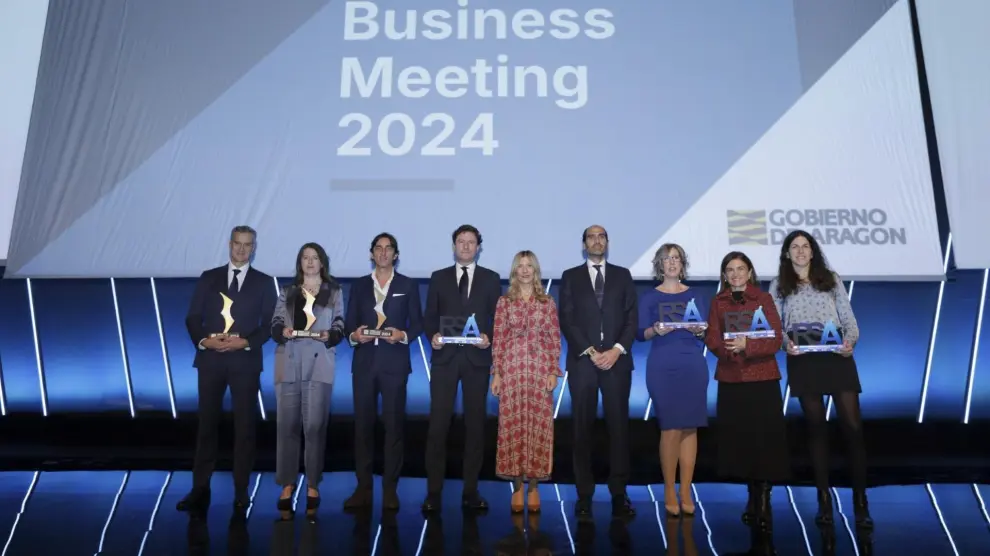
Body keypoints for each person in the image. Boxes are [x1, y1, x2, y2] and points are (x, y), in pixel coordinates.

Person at [770, 230, 872, 529]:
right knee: (816, 429)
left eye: (805, 246)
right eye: (794, 247)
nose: (800, 251)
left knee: (853, 428)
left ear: (813, 251)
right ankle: (824, 501)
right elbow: (775, 324)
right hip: (802, 358)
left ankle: (861, 502)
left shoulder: (831, 278)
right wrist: (783, 344)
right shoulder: (779, 284)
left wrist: (850, 341)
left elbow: (848, 316)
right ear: (787, 254)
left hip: (836, 356)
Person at [177, 225, 277, 511]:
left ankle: (241, 491)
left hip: (245, 362)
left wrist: (244, 342)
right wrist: (205, 341)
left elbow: (270, 324)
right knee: (206, 426)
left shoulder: (263, 281)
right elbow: (193, 318)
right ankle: (199, 488)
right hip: (210, 362)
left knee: (244, 428)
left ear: (254, 248)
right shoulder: (209, 278)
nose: (242, 249)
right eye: (238, 244)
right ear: (229, 244)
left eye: (248, 245)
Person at [704, 251, 789, 530]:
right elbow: (713, 338)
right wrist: (732, 350)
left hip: (763, 380)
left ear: (750, 272)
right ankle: (751, 497)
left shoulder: (763, 300)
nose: (736, 274)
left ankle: (763, 498)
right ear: (724, 275)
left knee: (764, 441)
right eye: (730, 269)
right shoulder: (718, 301)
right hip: (732, 379)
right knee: (741, 442)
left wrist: (747, 347)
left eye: (741, 268)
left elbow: (776, 338)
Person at [558, 225, 638, 518]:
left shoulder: (623, 275)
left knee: (619, 428)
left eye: (601, 236)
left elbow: (632, 318)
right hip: (583, 363)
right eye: (591, 237)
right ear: (584, 244)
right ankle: (584, 493)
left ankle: (619, 492)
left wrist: (616, 350)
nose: (596, 241)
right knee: (581, 429)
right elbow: (566, 319)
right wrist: (591, 351)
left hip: (617, 362)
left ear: (607, 242)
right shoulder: (570, 277)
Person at [422, 225, 502, 512]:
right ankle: (433, 493)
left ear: (479, 247)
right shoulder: (438, 277)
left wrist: (489, 337)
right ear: (453, 245)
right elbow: (429, 316)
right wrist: (432, 334)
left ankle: (471, 491)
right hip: (444, 361)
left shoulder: (491, 279)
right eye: (461, 241)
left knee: (475, 429)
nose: (466, 246)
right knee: (438, 428)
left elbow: (497, 318)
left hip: (477, 361)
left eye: (471, 242)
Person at [343, 232, 423, 511]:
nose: (384, 253)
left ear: (396, 255)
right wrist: (355, 336)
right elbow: (349, 324)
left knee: (393, 428)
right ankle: (363, 488)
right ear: (372, 254)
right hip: (364, 364)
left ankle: (390, 489)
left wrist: (402, 335)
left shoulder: (408, 285)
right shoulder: (359, 286)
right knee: (362, 428)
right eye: (378, 248)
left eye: (389, 249)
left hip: (394, 365)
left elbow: (418, 325)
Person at [270, 243, 345, 512]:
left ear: (322, 262)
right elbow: (275, 324)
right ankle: (287, 483)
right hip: (289, 361)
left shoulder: (334, 291)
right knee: (287, 427)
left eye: (315, 258)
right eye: (305, 258)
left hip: (319, 363)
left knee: (314, 426)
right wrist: (282, 331)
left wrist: (331, 336)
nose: (310, 262)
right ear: (299, 262)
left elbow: (339, 324)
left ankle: (313, 482)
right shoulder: (287, 292)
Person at [635, 243, 708, 517]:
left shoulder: (696, 295)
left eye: (676, 258)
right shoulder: (649, 297)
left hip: (692, 364)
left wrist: (700, 331)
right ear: (660, 265)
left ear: (682, 263)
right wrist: (655, 329)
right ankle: (668, 489)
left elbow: (704, 332)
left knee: (691, 427)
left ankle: (686, 490)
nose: (672, 263)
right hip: (663, 365)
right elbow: (640, 334)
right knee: (671, 427)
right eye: (667, 259)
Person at [491, 251, 562, 513]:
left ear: (535, 270)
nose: (524, 270)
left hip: (540, 373)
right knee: (513, 428)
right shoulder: (504, 302)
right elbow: (498, 339)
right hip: (512, 374)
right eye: (520, 266)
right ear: (514, 271)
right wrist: (497, 373)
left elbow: (555, 339)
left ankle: (534, 486)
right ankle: (518, 486)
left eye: (529, 266)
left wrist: (554, 371)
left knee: (537, 429)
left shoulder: (548, 302)